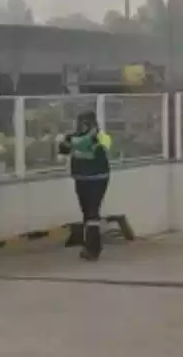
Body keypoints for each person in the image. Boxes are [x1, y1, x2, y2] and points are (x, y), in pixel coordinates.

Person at [58, 111, 113, 260]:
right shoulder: (74, 136)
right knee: (86, 212)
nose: (81, 126)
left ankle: (93, 249)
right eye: (80, 123)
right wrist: (68, 140)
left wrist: (73, 140)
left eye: (84, 123)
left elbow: (98, 146)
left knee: (92, 212)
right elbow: (63, 149)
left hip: (97, 179)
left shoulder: (101, 136)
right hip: (81, 178)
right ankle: (89, 245)